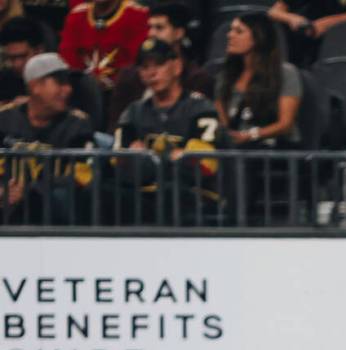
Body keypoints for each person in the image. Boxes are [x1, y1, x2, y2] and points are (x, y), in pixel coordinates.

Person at [114, 38, 221, 224]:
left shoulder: (201, 108)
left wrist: (147, 158)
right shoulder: (133, 112)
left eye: (159, 64)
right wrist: (172, 157)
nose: (152, 73)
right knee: (107, 194)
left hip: (192, 194)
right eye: (145, 67)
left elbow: (203, 165)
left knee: (171, 191)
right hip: (144, 193)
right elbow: (120, 164)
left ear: (177, 66)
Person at [0, 52, 93, 223]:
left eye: (68, 83)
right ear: (35, 86)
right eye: (60, 82)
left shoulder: (78, 125)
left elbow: (82, 176)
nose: (68, 89)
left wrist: (28, 192)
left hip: (53, 216)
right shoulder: (4, 120)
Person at [107, 2, 213, 131]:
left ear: (179, 33)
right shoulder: (128, 76)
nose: (151, 33)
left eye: (159, 28)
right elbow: (115, 126)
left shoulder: (197, 79)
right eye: (149, 27)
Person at [214, 12, 301, 148]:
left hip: (278, 152)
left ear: (259, 37)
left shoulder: (285, 73)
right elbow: (223, 120)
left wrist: (251, 135)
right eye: (231, 30)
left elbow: (286, 124)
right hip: (236, 152)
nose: (230, 35)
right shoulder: (226, 74)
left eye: (239, 31)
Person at [58, 0, 148, 90]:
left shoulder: (137, 14)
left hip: (125, 93)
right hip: (81, 93)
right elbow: (68, 62)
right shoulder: (77, 15)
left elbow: (137, 65)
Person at [267, 0, 346, 66]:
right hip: (301, 47)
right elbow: (274, 12)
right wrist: (292, 18)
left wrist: (328, 24)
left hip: (344, 49)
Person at [0, 15, 45, 102]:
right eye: (12, 58)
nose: (17, 64)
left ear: (39, 50)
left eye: (23, 56)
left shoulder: (62, 82)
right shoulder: (3, 82)